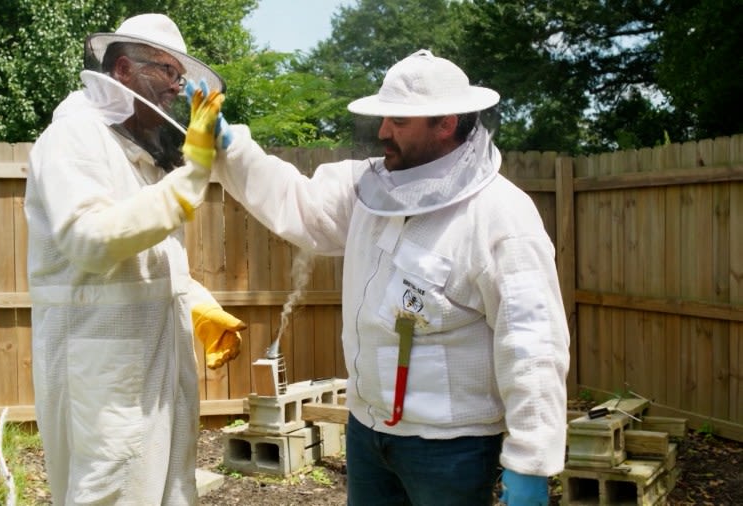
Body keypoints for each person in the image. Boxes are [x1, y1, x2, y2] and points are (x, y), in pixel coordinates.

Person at [207, 49, 570, 505]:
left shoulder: (501, 214)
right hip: (366, 433)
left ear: (445, 123)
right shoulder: (367, 188)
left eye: (398, 121)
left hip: (451, 449)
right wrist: (231, 149)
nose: (382, 132)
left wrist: (530, 462)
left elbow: (532, 343)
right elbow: (296, 202)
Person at [24, 13, 245, 505]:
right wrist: (192, 177)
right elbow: (91, 240)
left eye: (179, 75)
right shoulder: (74, 139)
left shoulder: (135, 154)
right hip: (104, 377)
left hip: (150, 369)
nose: (178, 87)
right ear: (124, 70)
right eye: (168, 71)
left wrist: (193, 299)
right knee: (111, 493)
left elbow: (142, 252)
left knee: (168, 492)